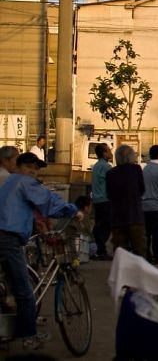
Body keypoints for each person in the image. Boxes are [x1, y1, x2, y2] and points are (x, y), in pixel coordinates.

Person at [0, 151, 82, 350]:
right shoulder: (25, 182)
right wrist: (73, 210)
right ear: (19, 167)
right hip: (8, 239)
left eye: (36, 168)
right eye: (30, 167)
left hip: (6, 237)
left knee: (8, 285)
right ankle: (29, 337)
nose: (34, 172)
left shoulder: (10, 182)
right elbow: (49, 201)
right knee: (25, 292)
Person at [106, 144, 147, 257]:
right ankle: (139, 273)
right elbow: (142, 189)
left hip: (117, 218)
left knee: (120, 253)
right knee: (140, 251)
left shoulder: (110, 173)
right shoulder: (136, 169)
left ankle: (122, 274)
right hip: (135, 216)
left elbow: (109, 194)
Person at [90, 142, 113, 260]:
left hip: (97, 199)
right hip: (105, 199)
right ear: (104, 153)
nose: (110, 152)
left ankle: (95, 247)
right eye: (108, 150)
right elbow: (112, 183)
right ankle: (100, 249)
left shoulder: (96, 166)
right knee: (106, 226)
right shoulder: (107, 167)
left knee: (99, 225)